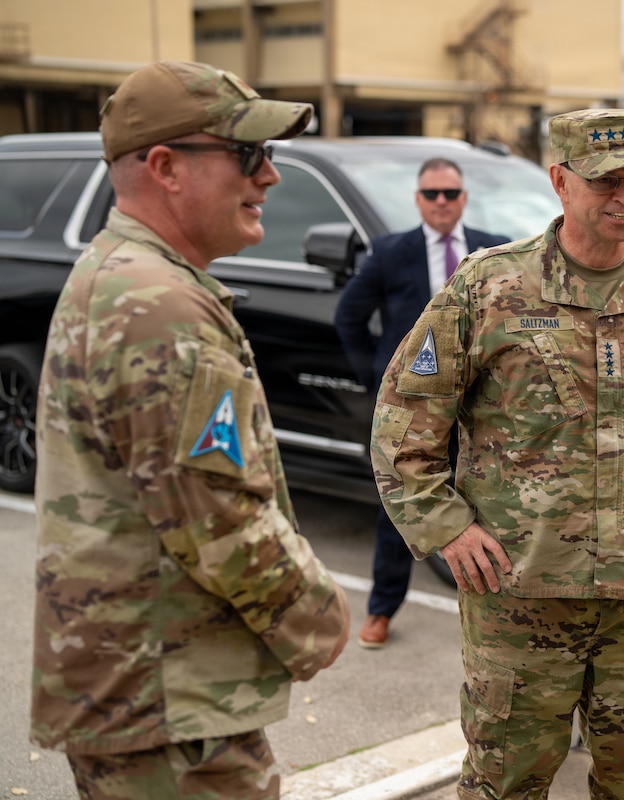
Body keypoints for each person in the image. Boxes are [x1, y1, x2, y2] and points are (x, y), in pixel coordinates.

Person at [371, 108, 624, 799]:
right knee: (506, 783)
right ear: (559, 181)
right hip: (520, 597)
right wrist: (445, 527)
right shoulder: (490, 287)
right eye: (605, 181)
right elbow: (405, 423)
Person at [30, 60, 351, 799]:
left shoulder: (128, 275)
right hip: (169, 706)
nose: (269, 176)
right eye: (248, 154)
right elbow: (219, 520)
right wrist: (320, 617)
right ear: (167, 167)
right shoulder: (157, 305)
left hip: (150, 695)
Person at [335, 157, 507, 650]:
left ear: (463, 198)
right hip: (416, 411)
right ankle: (381, 609)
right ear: (418, 199)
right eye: (431, 194)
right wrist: (379, 377)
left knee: (487, 501)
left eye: (449, 194)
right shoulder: (392, 252)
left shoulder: (492, 251)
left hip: (482, 406)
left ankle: (493, 621)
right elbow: (349, 316)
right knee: (403, 506)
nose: (440, 203)